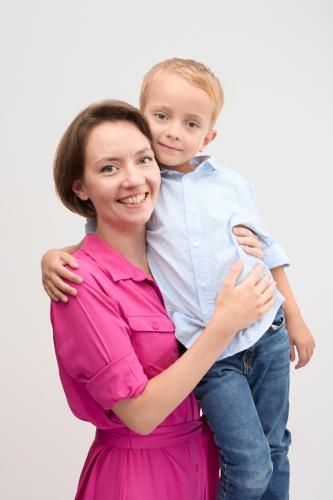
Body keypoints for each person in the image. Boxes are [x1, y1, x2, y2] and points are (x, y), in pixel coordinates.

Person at [43, 59, 315, 499]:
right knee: (252, 464)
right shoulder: (89, 273)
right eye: (109, 168)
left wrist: (292, 315)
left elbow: (265, 247)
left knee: (274, 448)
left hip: (220, 428)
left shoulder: (216, 194)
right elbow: (141, 414)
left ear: (206, 137)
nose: (134, 178)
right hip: (144, 472)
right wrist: (52, 256)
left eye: (141, 160)